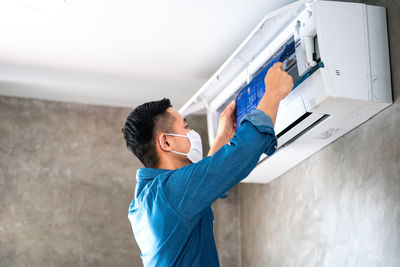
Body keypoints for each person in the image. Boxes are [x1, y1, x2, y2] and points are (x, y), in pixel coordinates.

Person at [122, 62, 293, 266]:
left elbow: (199, 187)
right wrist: (273, 92)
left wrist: (221, 138)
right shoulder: (169, 194)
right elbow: (245, 151)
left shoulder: (145, 202)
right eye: (185, 127)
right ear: (166, 142)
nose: (191, 133)